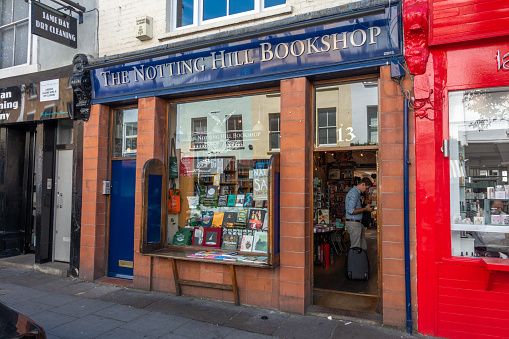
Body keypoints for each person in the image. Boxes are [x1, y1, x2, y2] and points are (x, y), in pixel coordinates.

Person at [345, 177, 374, 251]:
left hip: (357, 223)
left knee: (362, 248)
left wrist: (362, 204)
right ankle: (354, 262)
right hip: (354, 223)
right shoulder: (353, 193)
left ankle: (360, 262)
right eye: (367, 188)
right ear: (363, 184)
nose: (366, 191)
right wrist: (365, 209)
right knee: (356, 249)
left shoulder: (357, 193)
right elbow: (351, 211)